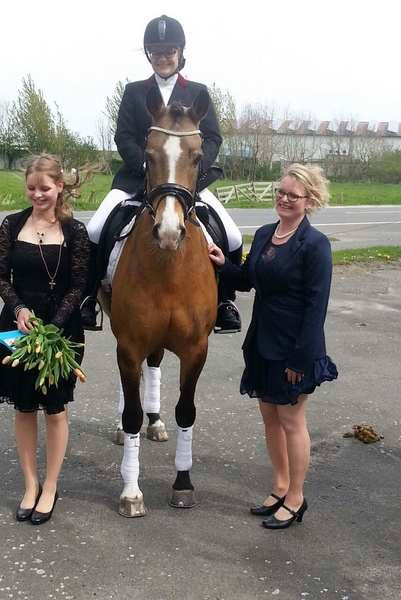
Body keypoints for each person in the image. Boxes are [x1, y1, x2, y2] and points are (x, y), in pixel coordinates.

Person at [81, 14, 243, 334]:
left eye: (169, 51)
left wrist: (193, 170)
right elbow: (124, 136)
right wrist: (145, 165)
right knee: (94, 229)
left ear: (180, 53)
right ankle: (89, 298)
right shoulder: (134, 92)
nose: (163, 57)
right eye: (156, 52)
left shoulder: (197, 91)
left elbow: (212, 137)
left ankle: (225, 300)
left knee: (233, 235)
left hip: (186, 180)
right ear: (149, 54)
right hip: (138, 176)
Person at [208, 163, 338, 530]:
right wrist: (223, 263)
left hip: (294, 347)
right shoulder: (266, 234)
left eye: (293, 195)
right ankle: (280, 486)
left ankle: (296, 498)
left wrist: (300, 358)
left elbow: (316, 308)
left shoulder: (314, 245)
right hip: (262, 342)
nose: (284, 199)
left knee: (292, 421)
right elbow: (248, 280)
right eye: (281, 192)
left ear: (309, 201)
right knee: (270, 418)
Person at [0, 153, 91, 525]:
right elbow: (0, 277)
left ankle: (51, 485)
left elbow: (78, 286)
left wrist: (52, 327)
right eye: (31, 188)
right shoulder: (11, 225)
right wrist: (20, 309)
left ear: (59, 186)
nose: (38, 195)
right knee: (23, 407)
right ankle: (30, 484)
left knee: (55, 410)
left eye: (45, 188)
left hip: (60, 328)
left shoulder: (76, 232)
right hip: (17, 325)